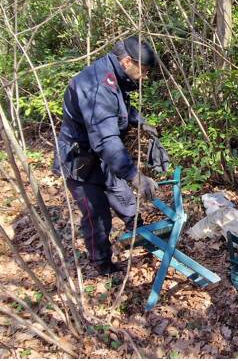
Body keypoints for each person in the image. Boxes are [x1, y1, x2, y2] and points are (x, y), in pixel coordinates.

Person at [53, 36, 160, 275]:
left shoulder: (114, 75)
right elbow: (105, 139)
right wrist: (136, 176)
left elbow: (119, 106)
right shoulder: (97, 86)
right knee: (98, 218)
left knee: (126, 201)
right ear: (126, 62)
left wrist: (139, 121)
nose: (145, 77)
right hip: (80, 163)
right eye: (142, 71)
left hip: (106, 159)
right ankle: (103, 266)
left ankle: (145, 241)